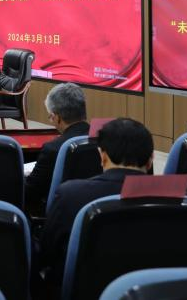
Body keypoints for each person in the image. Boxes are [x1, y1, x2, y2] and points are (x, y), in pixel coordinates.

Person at [38, 118, 154, 285]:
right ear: (151, 160)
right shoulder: (180, 200)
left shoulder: (70, 194)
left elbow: (47, 253)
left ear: (102, 156)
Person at [25, 83, 90, 212]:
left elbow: (31, 192)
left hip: (60, 213)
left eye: (50, 116)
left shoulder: (53, 149)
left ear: (57, 118)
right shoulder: (102, 139)